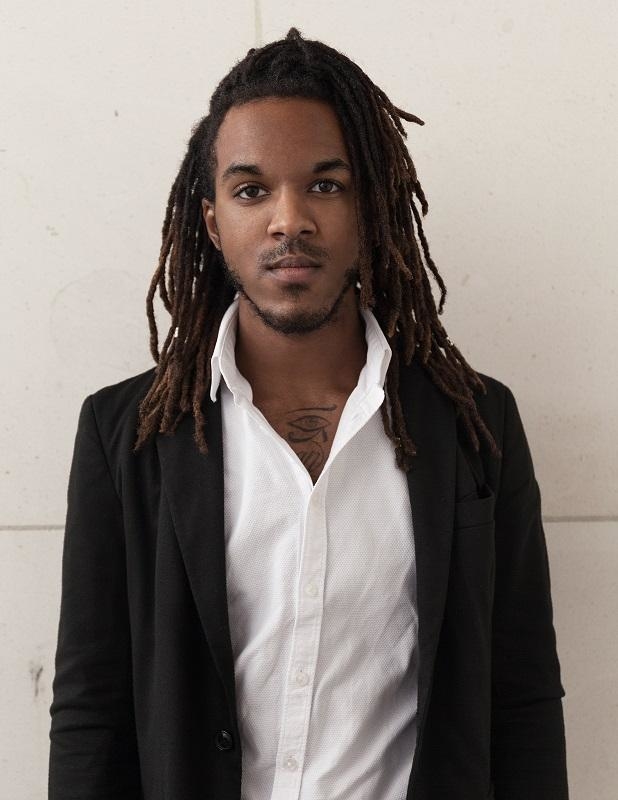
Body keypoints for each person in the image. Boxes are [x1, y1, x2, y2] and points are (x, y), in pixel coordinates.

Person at [48, 28, 568, 800]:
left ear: (370, 208)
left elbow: (522, 700)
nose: (289, 220)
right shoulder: (125, 435)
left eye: (326, 185)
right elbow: (92, 711)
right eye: (251, 191)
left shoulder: (475, 424)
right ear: (211, 221)